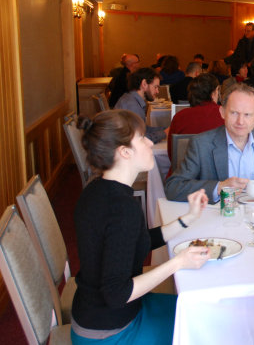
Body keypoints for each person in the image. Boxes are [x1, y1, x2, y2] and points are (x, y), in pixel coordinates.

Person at [71, 110, 210, 344]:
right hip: (111, 331)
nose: (149, 142)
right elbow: (117, 294)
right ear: (125, 152)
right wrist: (178, 262)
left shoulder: (98, 189)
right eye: (142, 138)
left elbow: (137, 240)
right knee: (201, 327)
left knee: (199, 309)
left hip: (98, 313)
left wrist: (188, 218)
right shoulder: (121, 207)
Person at [164, 83, 254, 202]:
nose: (240, 121)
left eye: (247, 115)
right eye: (234, 113)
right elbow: (173, 187)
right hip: (220, 221)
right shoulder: (202, 144)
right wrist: (219, 187)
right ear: (222, 112)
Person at [167, 74, 224, 175]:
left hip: (183, 178)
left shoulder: (179, 117)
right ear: (214, 92)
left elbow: (173, 155)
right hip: (217, 178)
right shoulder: (225, 115)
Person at [114, 68, 167, 143]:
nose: (157, 91)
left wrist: (165, 129)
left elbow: (143, 129)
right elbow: (139, 140)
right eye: (155, 87)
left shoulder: (132, 99)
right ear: (144, 84)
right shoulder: (132, 105)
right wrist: (164, 133)